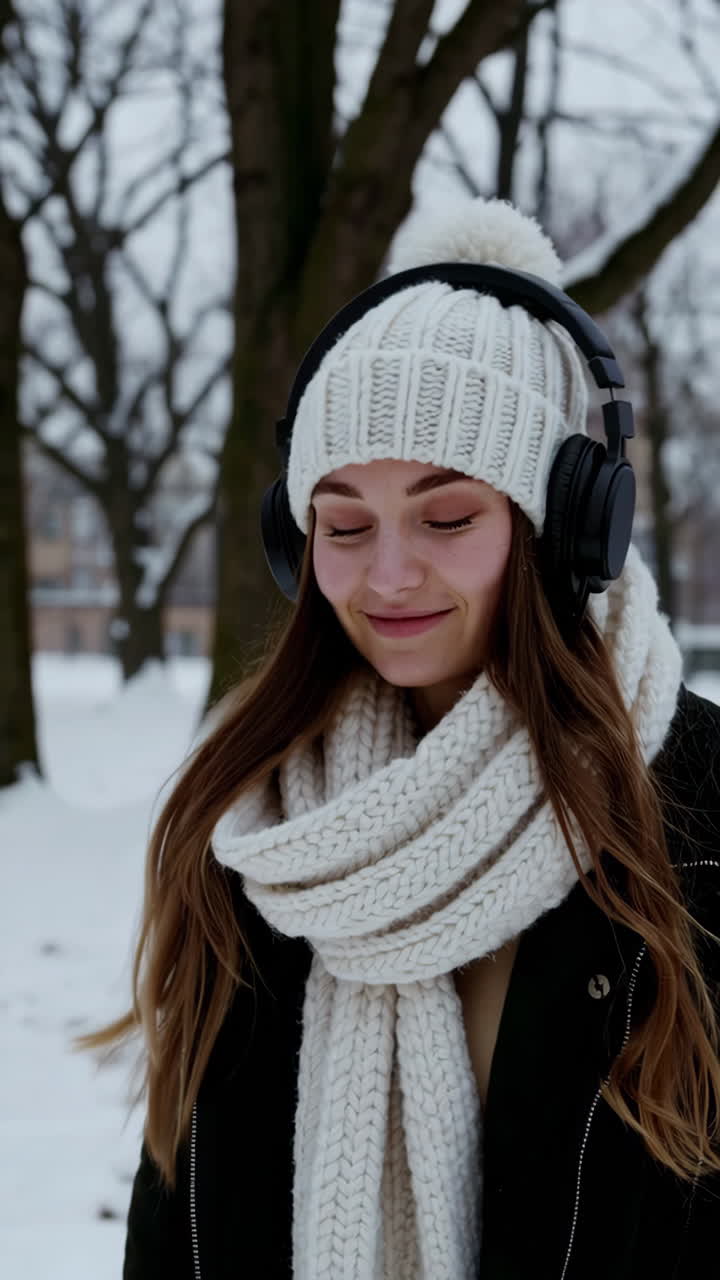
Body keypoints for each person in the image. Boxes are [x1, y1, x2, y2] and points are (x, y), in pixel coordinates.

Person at [89, 198, 720, 1280]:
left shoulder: (698, 809)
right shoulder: (255, 820)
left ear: (567, 525)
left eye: (446, 517)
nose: (386, 576)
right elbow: (179, 1216)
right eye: (342, 523)